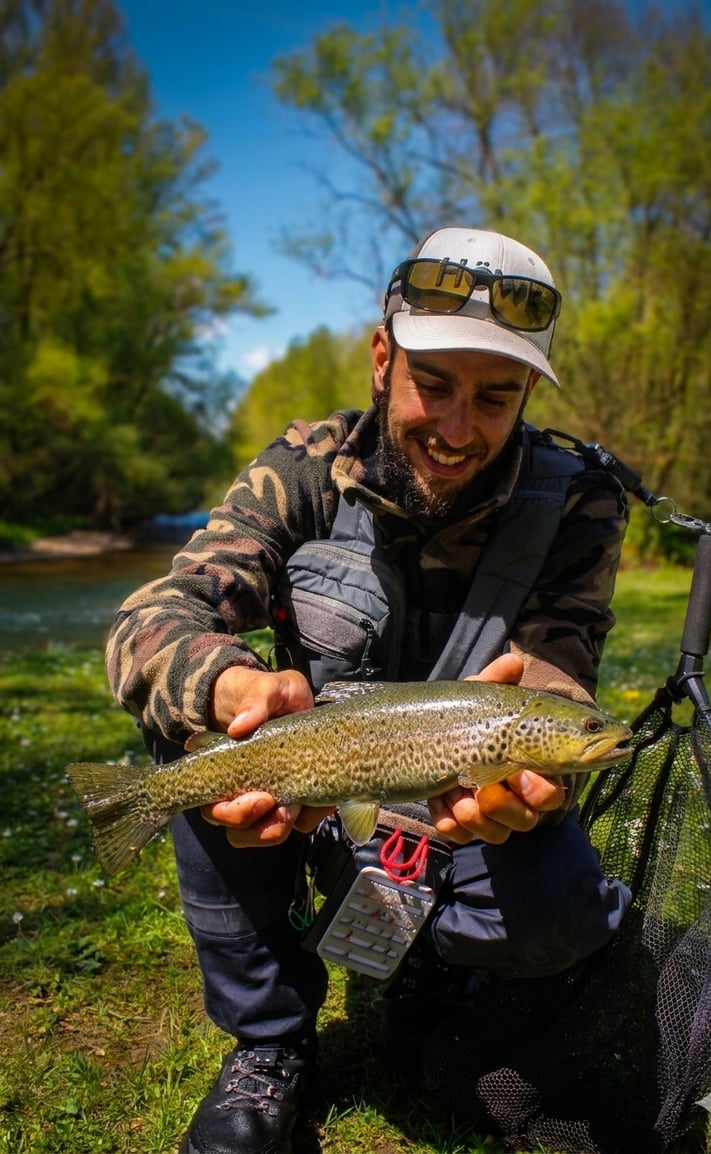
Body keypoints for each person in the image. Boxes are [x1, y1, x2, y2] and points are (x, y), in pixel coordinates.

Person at [106, 226, 632, 1154]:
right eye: (435, 385)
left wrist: (545, 772)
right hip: (313, 798)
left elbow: (560, 661)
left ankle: (432, 967)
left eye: (497, 397)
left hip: (464, 804)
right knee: (188, 735)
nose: (459, 429)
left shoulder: (579, 501)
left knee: (562, 906)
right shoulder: (302, 469)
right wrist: (229, 684)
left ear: (527, 397)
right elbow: (155, 619)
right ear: (383, 359)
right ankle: (270, 1043)